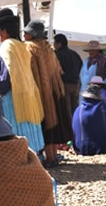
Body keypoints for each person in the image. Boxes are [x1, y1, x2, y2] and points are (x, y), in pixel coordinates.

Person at [0, 9, 44, 153]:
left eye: (0, 31)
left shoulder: (6, 47)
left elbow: (4, 77)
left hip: (13, 99)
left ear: (5, 31)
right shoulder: (22, 46)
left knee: (16, 133)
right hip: (29, 96)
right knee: (29, 131)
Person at [24, 20, 72, 167]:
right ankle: (53, 157)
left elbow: (31, 72)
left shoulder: (30, 48)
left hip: (42, 94)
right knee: (54, 125)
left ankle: (49, 158)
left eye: (26, 32)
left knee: (45, 125)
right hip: (55, 91)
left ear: (32, 34)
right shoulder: (49, 49)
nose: (24, 35)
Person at [79, 40, 106, 104]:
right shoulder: (86, 61)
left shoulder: (105, 61)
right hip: (85, 91)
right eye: (90, 50)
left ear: (98, 50)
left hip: (99, 93)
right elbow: (81, 77)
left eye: (93, 50)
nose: (91, 52)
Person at [54, 33, 82, 116]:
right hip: (76, 85)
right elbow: (81, 67)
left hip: (64, 85)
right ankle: (77, 127)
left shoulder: (57, 55)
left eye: (55, 43)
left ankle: (70, 128)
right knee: (75, 109)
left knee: (67, 111)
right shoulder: (74, 54)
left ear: (59, 44)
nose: (54, 45)